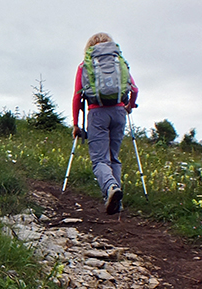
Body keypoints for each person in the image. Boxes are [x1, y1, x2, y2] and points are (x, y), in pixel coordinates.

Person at [72, 32, 138, 215]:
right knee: (113, 157)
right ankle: (117, 201)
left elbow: (78, 96)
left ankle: (110, 188)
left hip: (97, 112)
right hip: (119, 112)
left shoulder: (85, 65)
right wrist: (129, 107)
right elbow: (135, 89)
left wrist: (76, 124)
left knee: (100, 159)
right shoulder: (120, 63)